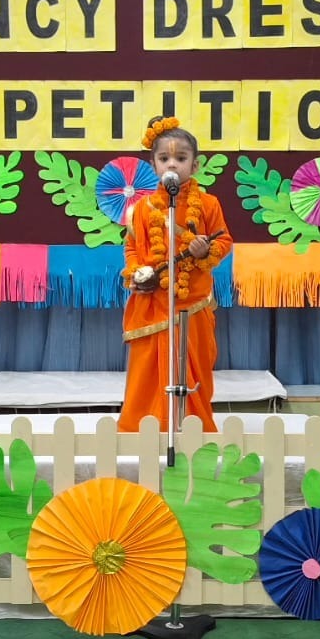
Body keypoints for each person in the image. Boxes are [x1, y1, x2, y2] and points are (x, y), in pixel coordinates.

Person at [119, 115, 232, 432]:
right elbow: (132, 247)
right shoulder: (141, 209)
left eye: (181, 159)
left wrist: (205, 251)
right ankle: (142, 428)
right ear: (153, 164)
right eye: (164, 158)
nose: (172, 164)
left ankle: (192, 429)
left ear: (194, 165)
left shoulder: (208, 204)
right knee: (146, 370)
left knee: (194, 369)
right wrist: (137, 273)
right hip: (153, 303)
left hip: (192, 305)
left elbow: (223, 240)